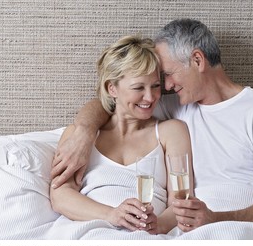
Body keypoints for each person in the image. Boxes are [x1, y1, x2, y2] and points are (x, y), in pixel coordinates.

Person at [51, 18, 253, 232]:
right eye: (157, 81)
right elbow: (112, 106)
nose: (165, 87)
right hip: (187, 228)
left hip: (228, 225)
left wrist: (215, 220)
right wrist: (84, 131)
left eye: (166, 76)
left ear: (197, 60)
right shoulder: (175, 103)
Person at [50, 34, 194, 235]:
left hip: (148, 237)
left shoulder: (171, 132)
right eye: (138, 88)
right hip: (92, 232)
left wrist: (159, 223)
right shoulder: (78, 137)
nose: (150, 97)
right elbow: (60, 196)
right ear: (112, 88)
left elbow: (181, 200)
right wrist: (112, 214)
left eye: (155, 86)